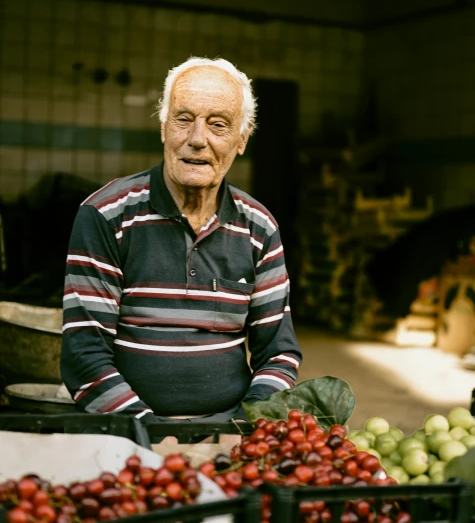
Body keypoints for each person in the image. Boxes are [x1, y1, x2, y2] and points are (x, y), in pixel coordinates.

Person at [61, 57, 302, 425]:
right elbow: (84, 355)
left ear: (241, 140)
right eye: (183, 119)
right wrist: (155, 436)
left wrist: (239, 429)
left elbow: (279, 355)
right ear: (163, 128)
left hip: (230, 437)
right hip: (127, 435)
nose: (196, 140)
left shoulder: (259, 227)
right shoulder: (107, 215)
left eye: (218, 125)